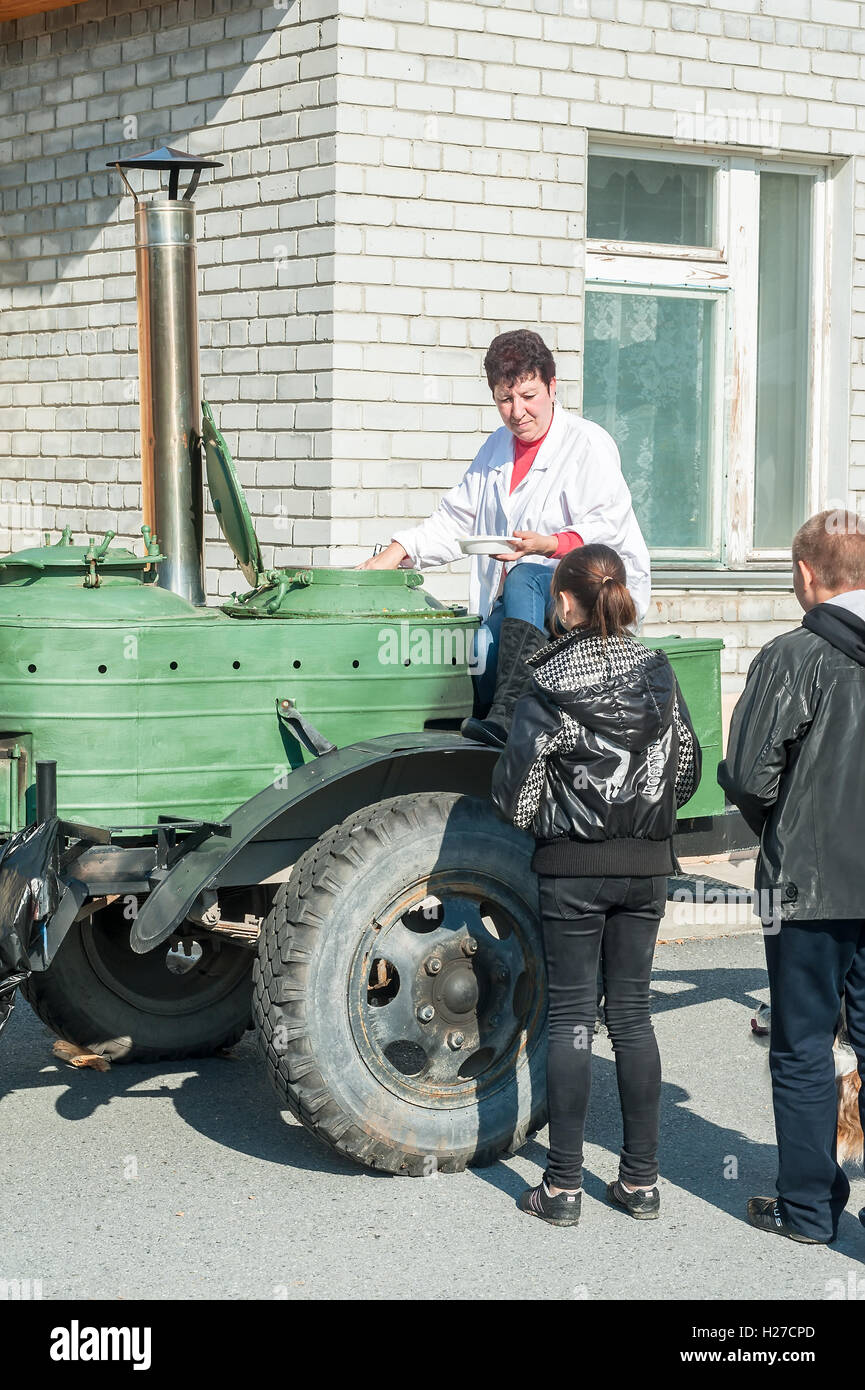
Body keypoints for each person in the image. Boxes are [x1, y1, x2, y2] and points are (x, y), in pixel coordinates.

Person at [491, 544, 701, 1227]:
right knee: (632, 1018)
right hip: (646, 865)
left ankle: (562, 1188)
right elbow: (687, 768)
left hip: (572, 871)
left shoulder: (546, 679)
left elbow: (516, 796)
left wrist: (553, 826)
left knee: (574, 1022)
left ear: (562, 602)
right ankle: (640, 1183)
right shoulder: (659, 671)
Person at [358, 329, 651, 748]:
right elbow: (456, 519)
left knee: (527, 573)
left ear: (553, 387)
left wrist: (547, 545)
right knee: (481, 647)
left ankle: (511, 713)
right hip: (523, 605)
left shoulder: (588, 444)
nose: (517, 412)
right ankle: (485, 747)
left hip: (590, 601)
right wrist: (398, 551)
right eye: (505, 399)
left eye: (528, 396)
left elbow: (608, 528)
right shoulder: (496, 449)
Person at [718, 509, 865, 1244]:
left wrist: (776, 821)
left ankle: (807, 1211)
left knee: (802, 1043)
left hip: (803, 887)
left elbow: (746, 773)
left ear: (807, 575)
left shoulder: (791, 655)